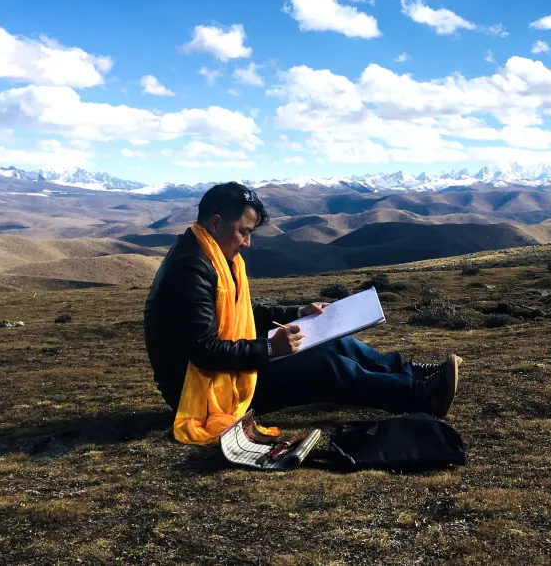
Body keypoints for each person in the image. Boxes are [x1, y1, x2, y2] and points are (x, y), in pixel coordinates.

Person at [143, 181, 460, 445]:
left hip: (224, 371)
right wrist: (269, 348)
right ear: (215, 223)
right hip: (199, 392)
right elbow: (204, 351)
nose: (248, 243)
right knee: (324, 365)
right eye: (244, 232)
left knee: (330, 341)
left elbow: (243, 311)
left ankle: (411, 372)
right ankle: (420, 396)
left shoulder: (213, 256)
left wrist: (298, 312)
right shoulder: (191, 268)